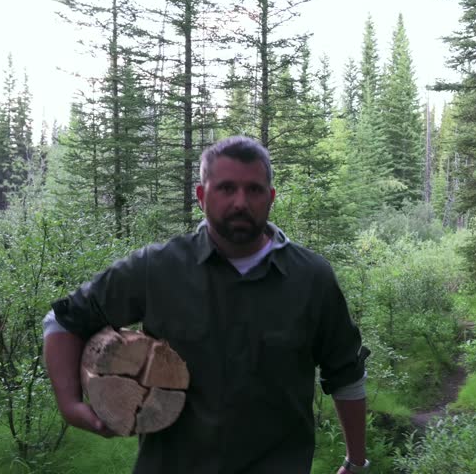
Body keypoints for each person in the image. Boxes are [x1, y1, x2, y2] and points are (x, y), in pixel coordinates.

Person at [42, 136, 370, 474]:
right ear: (201, 196)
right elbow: (64, 320)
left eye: (254, 190)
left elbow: (345, 373)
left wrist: (355, 463)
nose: (241, 202)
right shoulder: (158, 268)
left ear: (270, 198)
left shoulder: (311, 278)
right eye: (226, 188)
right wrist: (69, 405)